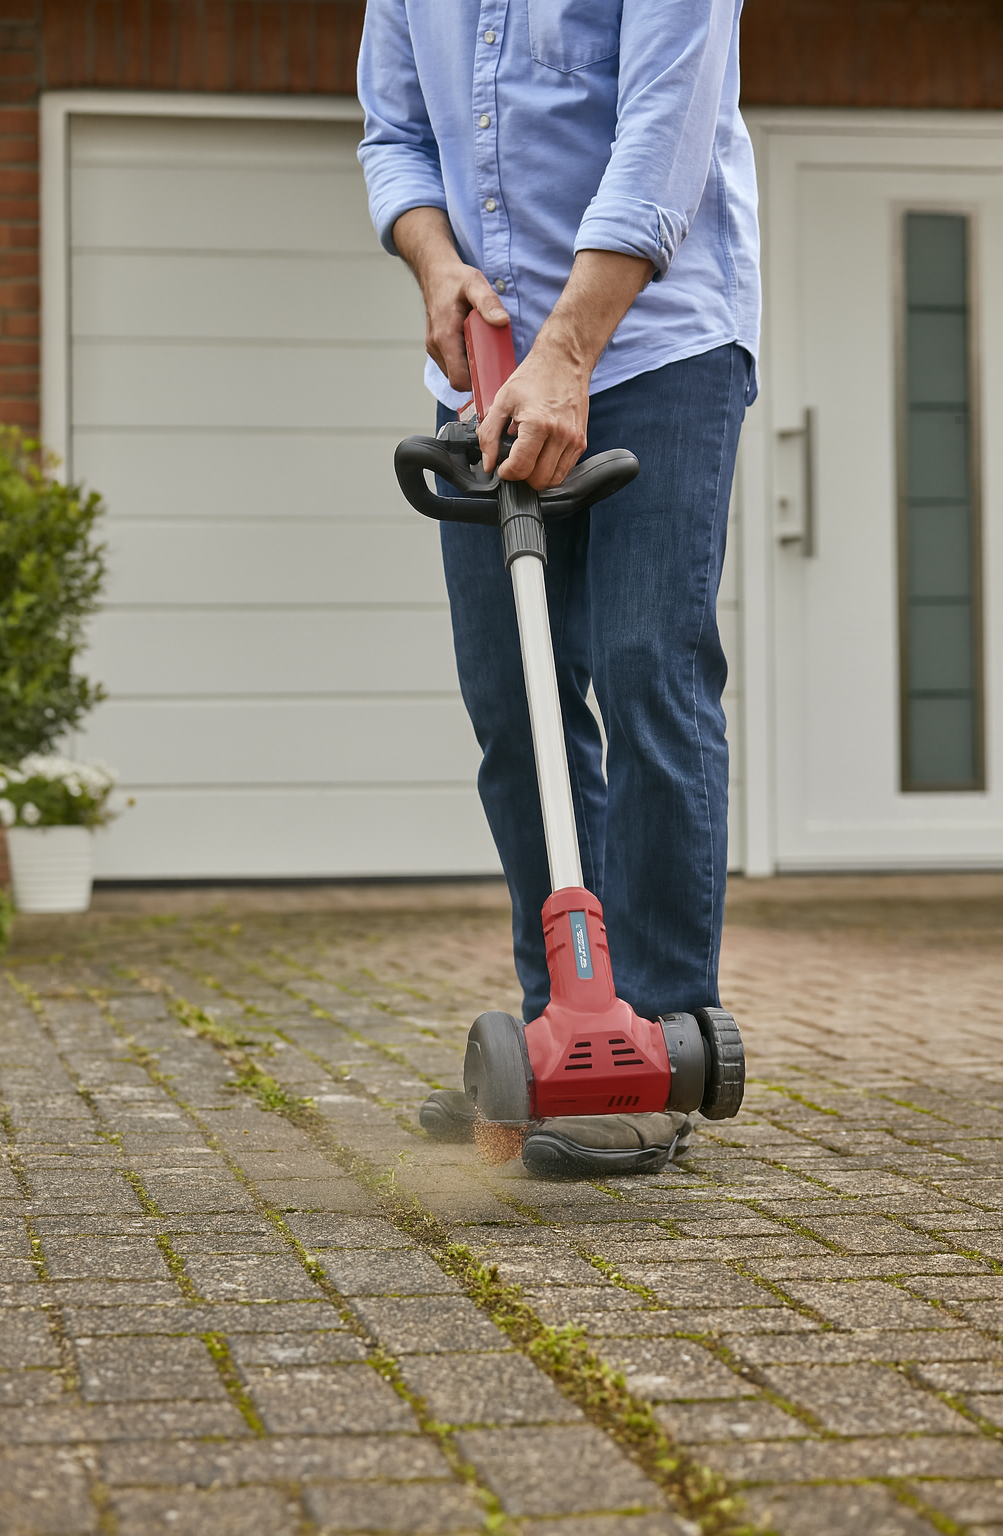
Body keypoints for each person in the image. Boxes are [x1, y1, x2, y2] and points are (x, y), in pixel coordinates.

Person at [357, 0, 760, 1177]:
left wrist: (569, 350)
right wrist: (437, 266)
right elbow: (395, 136)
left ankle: (658, 1040)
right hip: (486, 371)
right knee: (514, 703)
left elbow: (663, 132)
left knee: (645, 667)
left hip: (653, 348)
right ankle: (559, 1034)